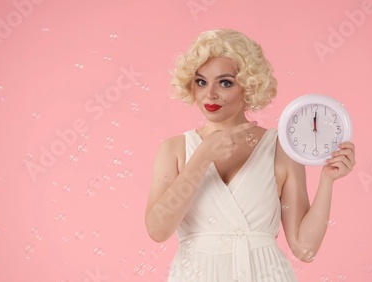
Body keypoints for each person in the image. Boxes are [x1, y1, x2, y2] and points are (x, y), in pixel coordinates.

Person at [145, 29, 356, 281]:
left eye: (225, 82)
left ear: (249, 84)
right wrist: (203, 156)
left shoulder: (280, 148)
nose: (210, 94)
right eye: (201, 81)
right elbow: (158, 230)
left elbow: (304, 249)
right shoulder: (175, 150)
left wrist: (327, 180)